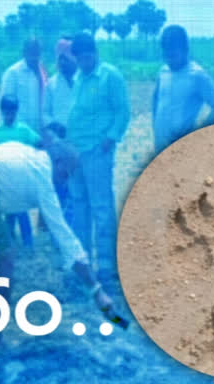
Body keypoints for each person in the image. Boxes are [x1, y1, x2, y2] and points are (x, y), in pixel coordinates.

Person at [0, 141, 128, 343]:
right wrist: (97, 291)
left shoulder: (25, 151)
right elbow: (66, 240)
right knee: (7, 258)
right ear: (57, 161)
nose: (65, 182)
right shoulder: (43, 177)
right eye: (65, 174)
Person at [67, 33, 130, 287]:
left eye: (86, 56)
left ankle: (107, 265)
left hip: (98, 150)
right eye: (79, 58)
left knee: (102, 207)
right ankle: (85, 263)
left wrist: (111, 138)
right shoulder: (78, 78)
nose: (83, 62)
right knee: (79, 206)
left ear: (95, 53)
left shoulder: (110, 76)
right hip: (76, 151)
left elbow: (123, 111)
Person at [152, 25, 214, 153]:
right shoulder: (163, 72)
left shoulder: (197, 75)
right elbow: (156, 99)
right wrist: (155, 126)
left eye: (173, 55)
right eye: (166, 55)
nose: (169, 60)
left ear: (185, 51)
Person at [0, 95, 41, 247]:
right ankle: (10, 241)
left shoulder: (23, 130)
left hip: (21, 177)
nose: (9, 115)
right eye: (6, 111)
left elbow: (38, 142)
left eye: (12, 111)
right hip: (5, 179)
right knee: (9, 211)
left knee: (22, 211)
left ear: (16, 111)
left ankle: (28, 242)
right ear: (2, 111)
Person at [0, 38, 47, 134]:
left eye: (37, 52)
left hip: (38, 132)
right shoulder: (13, 73)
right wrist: (4, 132)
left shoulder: (42, 72)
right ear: (24, 52)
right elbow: (4, 104)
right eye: (31, 51)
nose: (34, 56)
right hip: (17, 131)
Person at [43, 37, 77, 139]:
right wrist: (55, 126)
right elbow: (44, 113)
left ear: (74, 57)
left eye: (65, 59)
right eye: (59, 58)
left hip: (84, 138)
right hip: (59, 140)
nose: (62, 62)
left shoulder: (84, 81)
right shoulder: (51, 83)